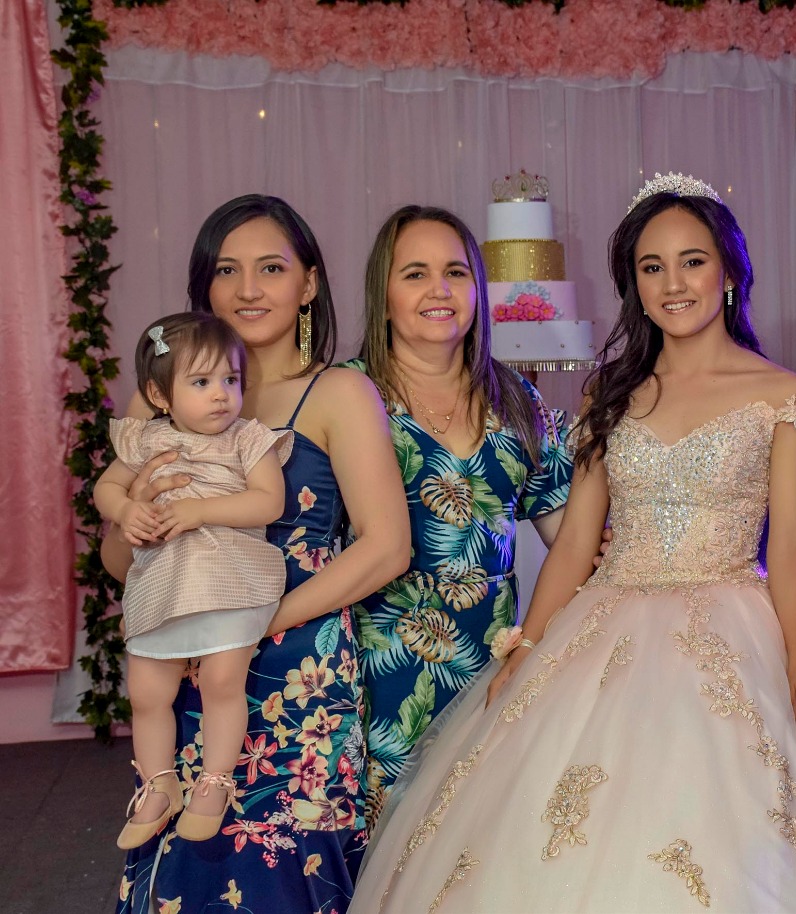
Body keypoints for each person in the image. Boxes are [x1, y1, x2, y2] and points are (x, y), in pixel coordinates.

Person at [348, 174, 796, 913]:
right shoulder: (610, 391)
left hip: (739, 626)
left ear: (730, 273)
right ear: (635, 288)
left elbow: (794, 549)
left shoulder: (784, 395)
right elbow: (577, 541)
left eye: (693, 261)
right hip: (604, 626)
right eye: (652, 267)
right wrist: (528, 644)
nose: (673, 283)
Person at [104, 195, 411, 914]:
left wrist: (261, 619)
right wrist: (136, 517)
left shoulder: (337, 392)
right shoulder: (160, 401)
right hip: (187, 654)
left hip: (295, 668)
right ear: (203, 287)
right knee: (184, 865)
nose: (248, 289)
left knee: (285, 870)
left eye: (271, 268)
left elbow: (388, 547)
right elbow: (121, 565)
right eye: (227, 270)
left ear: (308, 284)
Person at [341, 206, 572, 828]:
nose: (439, 290)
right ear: (382, 295)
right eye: (414, 273)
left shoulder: (516, 397)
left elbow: (571, 537)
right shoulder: (347, 395)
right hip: (379, 672)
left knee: (473, 849)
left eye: (456, 272)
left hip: (492, 665)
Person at [97, 312, 293, 849]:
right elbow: (106, 487)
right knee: (146, 692)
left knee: (222, 683)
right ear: (160, 395)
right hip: (164, 583)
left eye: (230, 380)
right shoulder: (145, 439)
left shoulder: (247, 440)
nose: (221, 396)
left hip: (229, 578)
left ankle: (214, 781)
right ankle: (159, 785)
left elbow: (268, 501)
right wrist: (126, 508)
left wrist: (200, 509)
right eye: (202, 383)